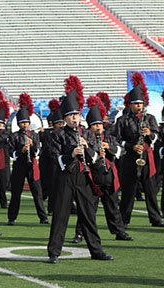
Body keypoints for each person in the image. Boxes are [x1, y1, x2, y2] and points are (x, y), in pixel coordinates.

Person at [47, 76, 113, 264]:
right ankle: (54, 252)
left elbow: (96, 161)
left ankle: (96, 250)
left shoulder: (87, 135)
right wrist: (72, 154)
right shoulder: (57, 135)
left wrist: (87, 148)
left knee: (89, 216)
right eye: (70, 115)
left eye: (76, 115)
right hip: (65, 178)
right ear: (65, 117)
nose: (74, 118)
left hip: (84, 178)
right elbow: (55, 159)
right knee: (60, 216)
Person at [71, 96, 132, 243]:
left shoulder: (109, 138)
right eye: (95, 125)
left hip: (109, 177)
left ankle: (119, 231)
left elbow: (121, 150)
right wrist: (96, 150)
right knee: (87, 209)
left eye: (100, 124)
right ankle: (80, 233)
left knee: (113, 207)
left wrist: (109, 148)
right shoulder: (86, 138)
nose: (98, 127)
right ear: (90, 127)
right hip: (93, 179)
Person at [115, 72, 163, 227]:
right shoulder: (123, 120)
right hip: (130, 158)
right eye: (136, 103)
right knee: (128, 191)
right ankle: (124, 219)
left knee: (151, 191)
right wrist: (131, 146)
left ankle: (155, 219)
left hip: (147, 157)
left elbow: (157, 136)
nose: (139, 106)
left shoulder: (150, 119)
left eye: (141, 103)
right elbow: (118, 139)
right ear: (130, 105)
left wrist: (150, 134)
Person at [7, 93, 48, 225]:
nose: (25, 125)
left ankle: (43, 217)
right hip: (19, 166)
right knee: (16, 193)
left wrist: (33, 148)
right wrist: (21, 151)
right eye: (22, 123)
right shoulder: (14, 136)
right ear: (19, 124)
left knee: (37, 193)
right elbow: (10, 152)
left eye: (26, 122)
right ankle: (12, 217)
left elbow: (39, 150)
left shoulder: (34, 135)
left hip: (32, 166)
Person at [40, 98, 64, 215]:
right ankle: (52, 208)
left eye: (62, 123)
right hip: (53, 163)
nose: (61, 125)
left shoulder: (64, 133)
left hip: (63, 162)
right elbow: (50, 150)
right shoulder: (49, 135)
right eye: (58, 124)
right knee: (54, 186)